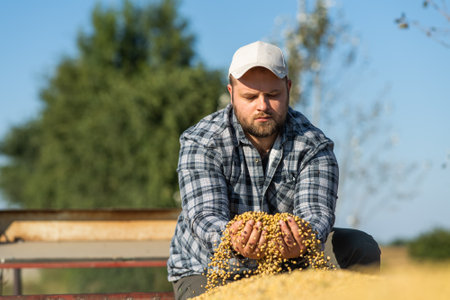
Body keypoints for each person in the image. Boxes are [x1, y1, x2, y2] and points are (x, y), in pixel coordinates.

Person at [167, 41, 380, 299]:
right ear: (231, 93)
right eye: (250, 96)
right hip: (210, 266)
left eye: (273, 95)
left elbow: (316, 215)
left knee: (359, 246)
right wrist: (233, 240)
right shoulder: (202, 142)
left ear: (288, 89)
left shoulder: (314, 146)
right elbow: (204, 216)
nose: (263, 106)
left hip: (291, 262)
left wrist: (303, 238)